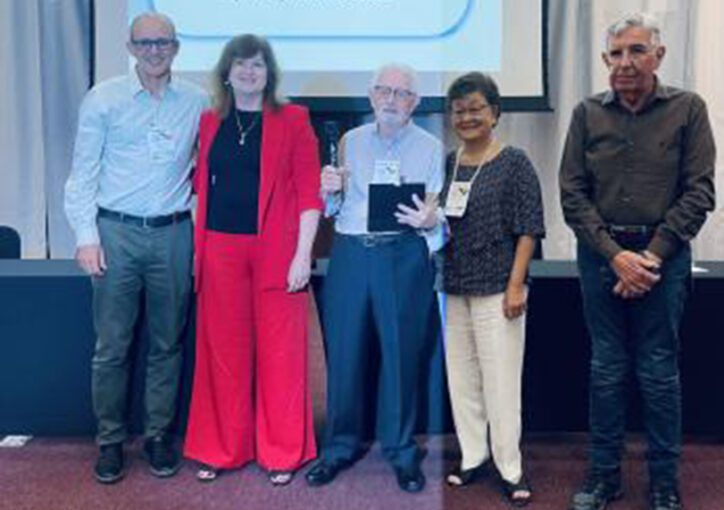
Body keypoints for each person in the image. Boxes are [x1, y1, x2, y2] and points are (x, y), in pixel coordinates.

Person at [559, 13, 715, 510]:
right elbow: (572, 194)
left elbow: (700, 192)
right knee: (606, 369)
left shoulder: (688, 109)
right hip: (601, 256)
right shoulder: (587, 113)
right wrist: (616, 256)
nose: (625, 63)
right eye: (616, 54)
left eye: (636, 50)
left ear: (658, 56)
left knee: (657, 370)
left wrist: (648, 258)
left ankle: (664, 482)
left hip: (661, 259)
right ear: (605, 61)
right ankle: (604, 477)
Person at [64, 12, 206, 484]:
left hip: (172, 234)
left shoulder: (197, 101)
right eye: (144, 43)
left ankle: (158, 436)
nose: (154, 50)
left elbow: (204, 169)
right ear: (129, 48)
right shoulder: (103, 99)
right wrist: (86, 236)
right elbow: (82, 172)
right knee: (112, 346)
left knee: (167, 343)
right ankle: (109, 441)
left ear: (176, 46)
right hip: (115, 233)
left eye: (163, 42)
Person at [183, 34, 322, 485]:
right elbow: (199, 188)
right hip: (220, 249)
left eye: (257, 65)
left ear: (270, 73)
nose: (248, 72)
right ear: (227, 72)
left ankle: (282, 452)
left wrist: (303, 255)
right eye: (240, 64)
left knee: (281, 354)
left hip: (278, 252)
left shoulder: (294, 119)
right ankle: (221, 449)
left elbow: (309, 194)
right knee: (222, 353)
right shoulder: (208, 121)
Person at [305, 64, 443, 493]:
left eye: (401, 93)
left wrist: (430, 220)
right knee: (344, 353)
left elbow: (438, 215)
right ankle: (339, 448)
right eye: (383, 90)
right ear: (370, 95)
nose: (390, 99)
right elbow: (330, 209)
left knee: (400, 356)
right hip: (350, 254)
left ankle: (401, 452)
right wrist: (326, 191)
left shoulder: (431, 148)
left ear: (414, 103)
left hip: (402, 254)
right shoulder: (350, 142)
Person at [439, 72, 544, 507]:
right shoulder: (449, 162)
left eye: (476, 109)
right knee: (462, 379)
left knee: (501, 384)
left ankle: (510, 467)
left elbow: (529, 228)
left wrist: (516, 284)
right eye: (459, 110)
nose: (467, 117)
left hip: (498, 289)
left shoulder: (515, 162)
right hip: (453, 287)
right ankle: (473, 455)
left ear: (495, 113)